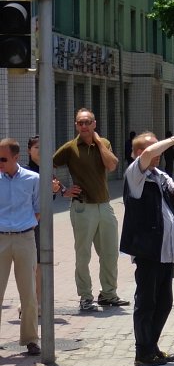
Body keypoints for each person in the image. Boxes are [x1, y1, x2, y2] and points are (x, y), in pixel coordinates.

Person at [120, 131, 174, 366]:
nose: (158, 153)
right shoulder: (135, 174)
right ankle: (142, 352)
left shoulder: (160, 175)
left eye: (158, 147)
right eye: (152, 149)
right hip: (147, 250)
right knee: (146, 301)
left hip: (165, 251)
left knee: (164, 302)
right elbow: (148, 154)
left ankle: (152, 347)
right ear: (136, 154)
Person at [53, 108, 128, 311]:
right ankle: (86, 297)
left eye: (87, 122)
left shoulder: (104, 144)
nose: (84, 126)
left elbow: (112, 165)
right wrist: (62, 190)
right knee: (83, 255)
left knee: (110, 253)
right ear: (76, 125)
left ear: (94, 123)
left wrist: (97, 140)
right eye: (80, 123)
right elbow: (47, 165)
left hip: (105, 206)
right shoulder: (70, 148)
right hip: (82, 208)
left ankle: (108, 294)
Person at [0, 138, 41, 356]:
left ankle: (31, 339)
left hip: (25, 238)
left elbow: (38, 207)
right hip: (0, 239)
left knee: (28, 293)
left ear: (16, 158)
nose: (0, 162)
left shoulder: (33, 179)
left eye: (3, 159)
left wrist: (25, 224)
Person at [23, 136, 63, 317]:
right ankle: (27, 303)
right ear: (29, 151)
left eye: (44, 147)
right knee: (28, 265)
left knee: (39, 263)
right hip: (24, 223)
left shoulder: (48, 171)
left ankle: (37, 302)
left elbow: (50, 200)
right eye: (36, 147)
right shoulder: (23, 171)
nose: (40, 150)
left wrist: (54, 191)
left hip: (42, 223)